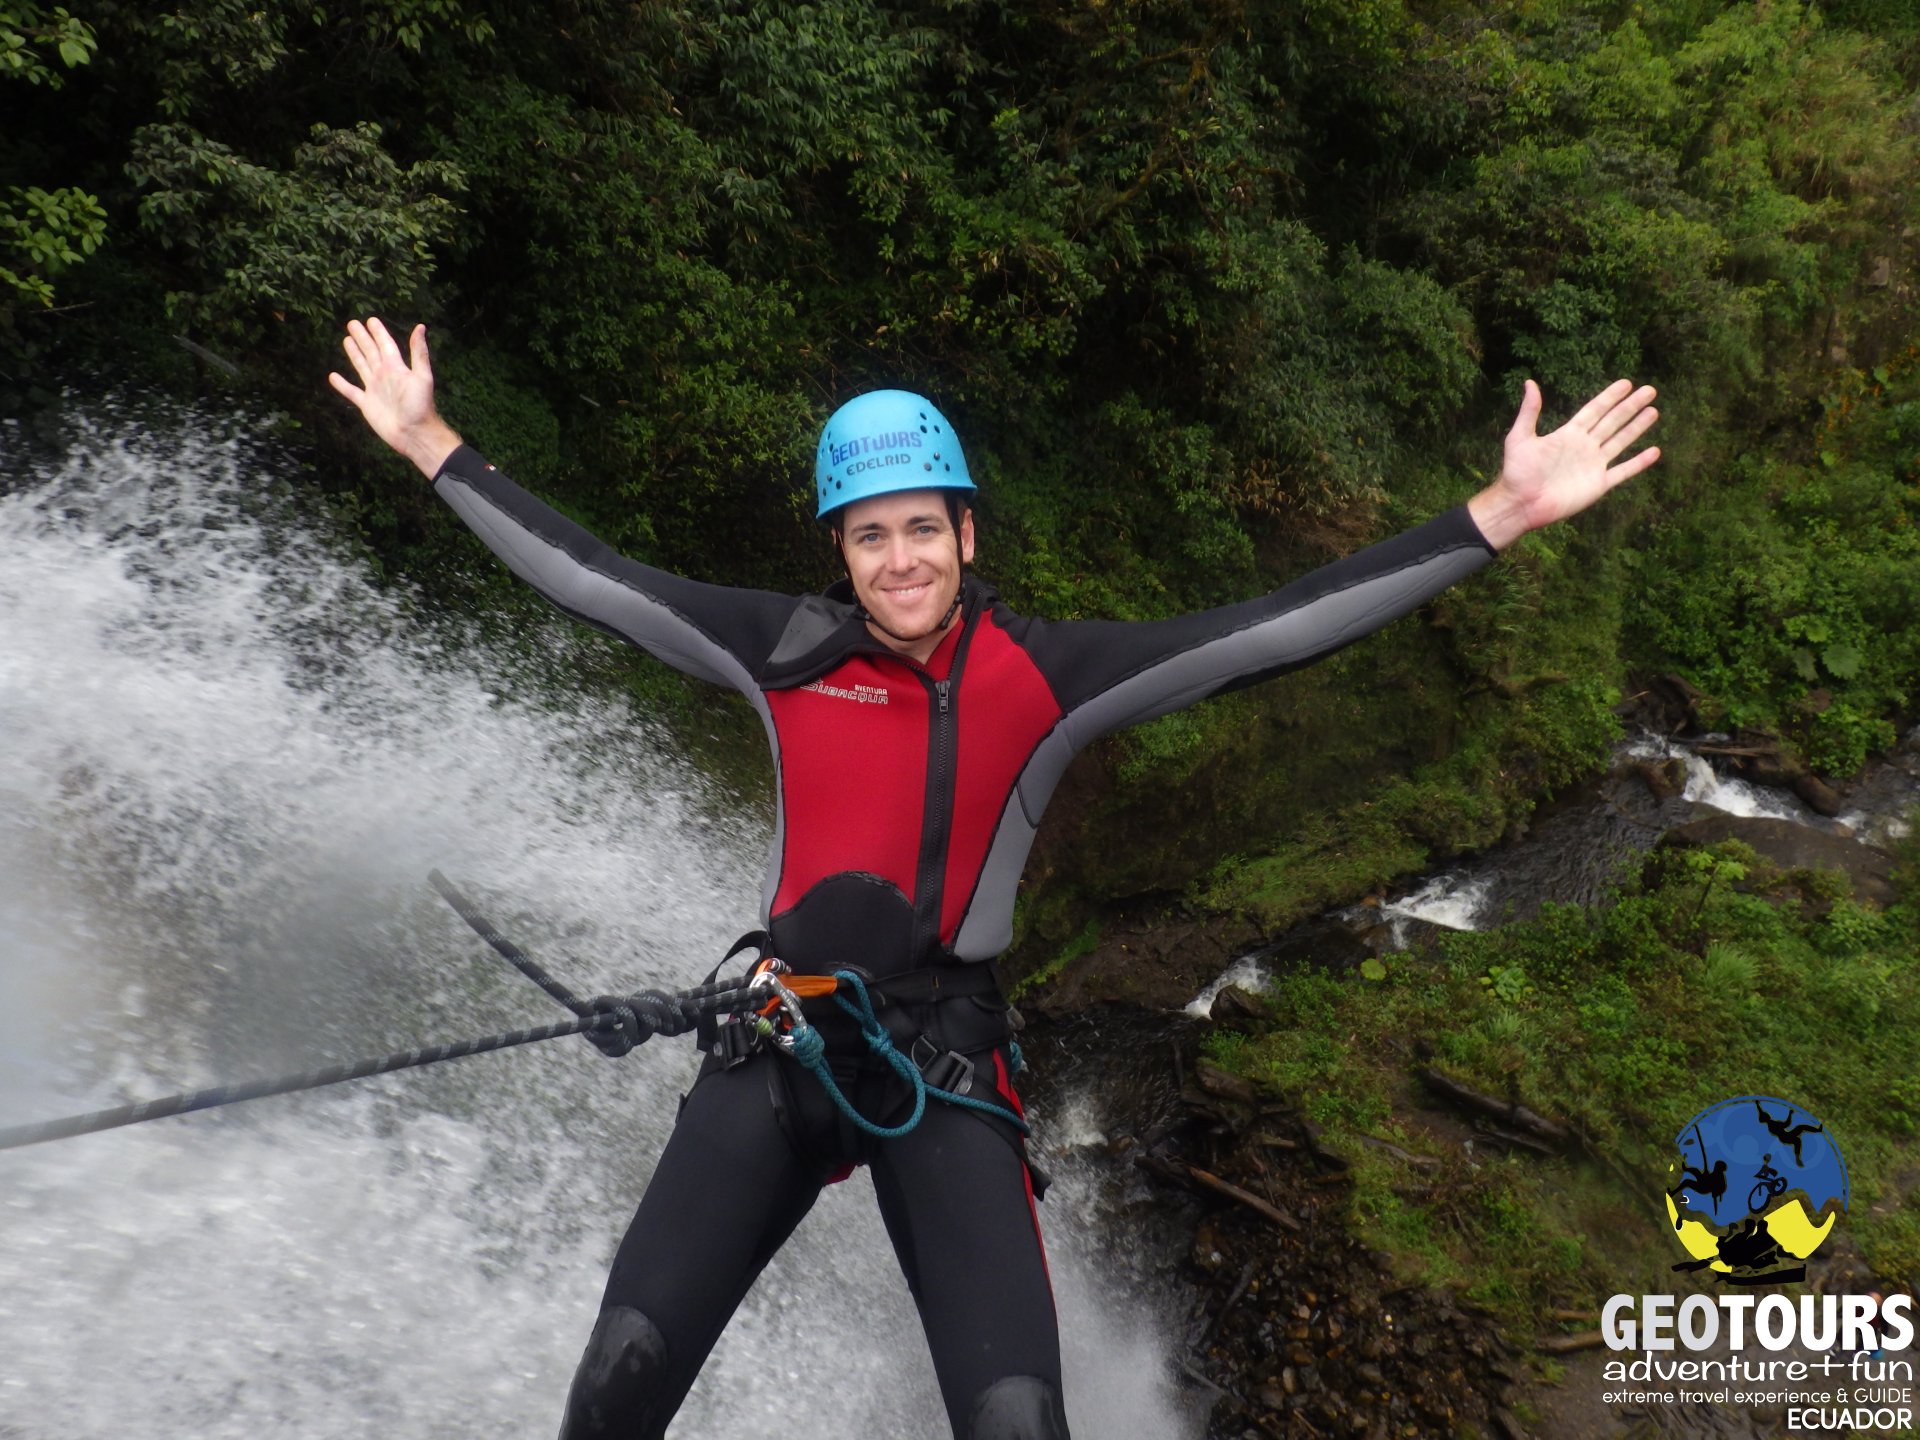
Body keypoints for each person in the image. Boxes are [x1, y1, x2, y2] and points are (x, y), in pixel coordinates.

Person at [330, 316, 1660, 1439]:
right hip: (782, 1045)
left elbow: (1267, 633)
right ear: (840, 554)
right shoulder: (781, 651)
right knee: (618, 1377)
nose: (899, 559)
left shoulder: (1047, 674)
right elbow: (593, 577)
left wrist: (1499, 513)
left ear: (968, 533)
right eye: (869, 537)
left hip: (948, 1067)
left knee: (1019, 1420)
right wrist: (430, 445)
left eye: (922, 528)